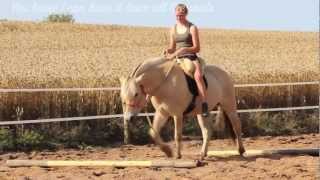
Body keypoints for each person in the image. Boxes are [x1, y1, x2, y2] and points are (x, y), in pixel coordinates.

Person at [164, 4, 209, 117]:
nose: (179, 17)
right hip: (177, 57)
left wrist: (184, 49)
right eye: (177, 15)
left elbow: (197, 48)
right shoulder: (173, 29)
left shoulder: (192, 27)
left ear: (186, 14)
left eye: (181, 15)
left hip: (190, 56)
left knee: (198, 76)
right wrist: (168, 50)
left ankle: (204, 104)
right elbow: (173, 47)